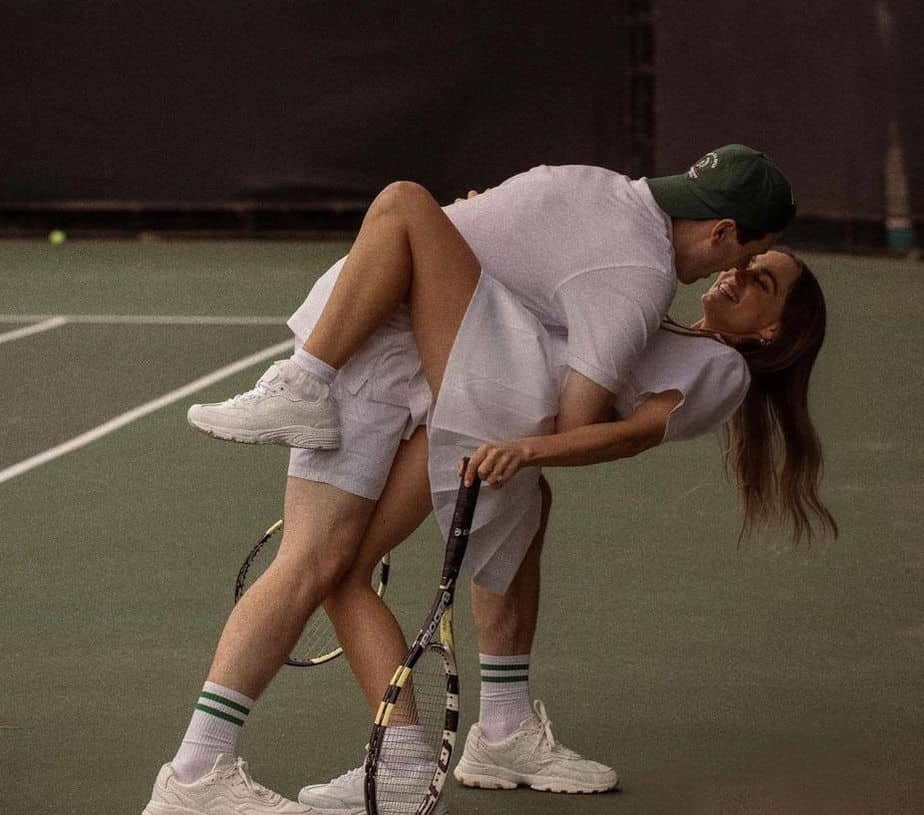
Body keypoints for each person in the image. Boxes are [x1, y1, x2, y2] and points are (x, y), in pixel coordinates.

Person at [143, 146, 796, 813]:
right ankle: (220, 771)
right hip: (394, 349)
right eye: (750, 258)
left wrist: (491, 256)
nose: (738, 274)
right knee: (329, 563)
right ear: (722, 234)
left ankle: (401, 755)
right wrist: (487, 247)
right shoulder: (639, 273)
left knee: (370, 553)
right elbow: (576, 387)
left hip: (438, 368)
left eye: (759, 276)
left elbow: (601, 417)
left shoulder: (644, 272)